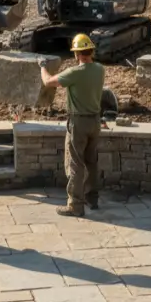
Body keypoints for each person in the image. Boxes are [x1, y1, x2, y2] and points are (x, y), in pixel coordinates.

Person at [38, 34, 105, 217]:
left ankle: (75, 204)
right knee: (91, 161)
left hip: (79, 123)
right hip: (95, 121)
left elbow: (48, 82)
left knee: (75, 163)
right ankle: (92, 199)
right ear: (91, 51)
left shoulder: (75, 73)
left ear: (77, 54)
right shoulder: (100, 69)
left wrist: (42, 66)